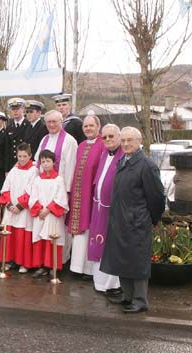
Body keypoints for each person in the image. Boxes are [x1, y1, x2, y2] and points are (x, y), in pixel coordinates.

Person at [100, 127, 164, 314]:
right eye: (124, 140)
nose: (126, 144)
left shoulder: (146, 165)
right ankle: (127, 295)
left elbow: (157, 198)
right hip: (120, 220)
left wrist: (150, 218)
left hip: (137, 221)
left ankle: (140, 300)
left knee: (137, 262)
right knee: (123, 259)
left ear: (139, 141)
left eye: (131, 140)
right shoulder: (123, 161)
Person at [34, 110, 78, 263]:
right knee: (42, 226)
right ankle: (44, 261)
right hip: (42, 190)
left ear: (61, 122)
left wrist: (66, 192)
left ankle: (59, 261)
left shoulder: (69, 141)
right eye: (48, 122)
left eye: (55, 122)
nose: (51, 125)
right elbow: (37, 162)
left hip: (59, 191)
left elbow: (71, 167)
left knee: (58, 227)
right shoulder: (44, 139)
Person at [68, 114, 105, 281]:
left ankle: (89, 270)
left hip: (92, 195)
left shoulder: (103, 145)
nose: (88, 128)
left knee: (90, 229)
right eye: (85, 126)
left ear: (98, 127)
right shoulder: (81, 145)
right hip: (79, 194)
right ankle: (76, 266)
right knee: (79, 231)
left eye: (91, 125)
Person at [88, 124, 123, 294]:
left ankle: (112, 284)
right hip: (99, 207)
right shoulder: (104, 154)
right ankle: (99, 280)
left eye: (112, 136)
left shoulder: (124, 157)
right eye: (105, 137)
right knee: (98, 243)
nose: (108, 140)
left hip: (114, 210)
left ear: (119, 137)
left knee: (111, 245)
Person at [0, 143, 38, 273]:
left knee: (22, 237)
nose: (21, 159)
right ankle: (10, 260)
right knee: (10, 236)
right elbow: (5, 188)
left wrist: (19, 206)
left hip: (23, 210)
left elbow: (32, 191)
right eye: (19, 156)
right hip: (11, 209)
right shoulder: (14, 170)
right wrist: (9, 204)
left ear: (30, 156)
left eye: (24, 156)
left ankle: (24, 263)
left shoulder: (34, 171)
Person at [29, 150, 70, 278]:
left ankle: (53, 266)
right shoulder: (37, 180)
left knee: (52, 239)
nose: (45, 164)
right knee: (40, 239)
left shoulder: (58, 179)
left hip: (52, 215)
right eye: (43, 162)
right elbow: (33, 197)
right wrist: (39, 209)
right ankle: (41, 266)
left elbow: (61, 199)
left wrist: (48, 209)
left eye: (48, 161)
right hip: (40, 214)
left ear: (54, 162)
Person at [4, 98, 28, 172]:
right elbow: (7, 149)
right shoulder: (9, 127)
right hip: (12, 163)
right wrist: (7, 169)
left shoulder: (28, 124)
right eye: (13, 109)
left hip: (25, 162)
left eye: (17, 109)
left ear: (23, 110)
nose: (15, 111)